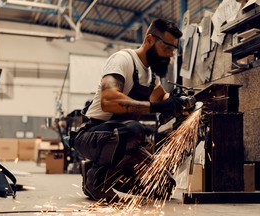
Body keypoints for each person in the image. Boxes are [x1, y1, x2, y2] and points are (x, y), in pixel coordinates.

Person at [71, 18, 195, 202]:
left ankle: (113, 174)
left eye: (173, 50)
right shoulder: (123, 60)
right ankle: (96, 180)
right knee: (135, 129)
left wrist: (181, 103)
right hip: (94, 136)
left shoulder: (151, 75)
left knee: (163, 186)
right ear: (149, 40)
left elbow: (161, 98)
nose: (170, 55)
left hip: (125, 140)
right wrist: (158, 106)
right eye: (167, 48)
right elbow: (108, 100)